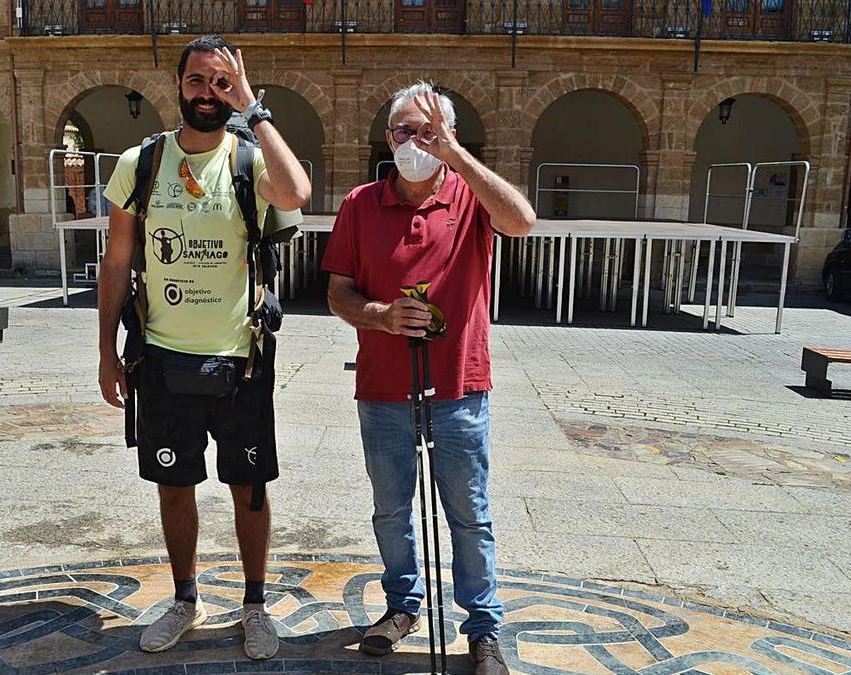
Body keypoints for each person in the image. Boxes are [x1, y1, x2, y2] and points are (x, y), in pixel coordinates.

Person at [96, 35, 310, 661]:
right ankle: (186, 598)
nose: (208, 93)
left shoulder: (248, 160)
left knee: (250, 486)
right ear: (178, 86)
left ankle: (253, 605)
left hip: (241, 358)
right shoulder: (143, 163)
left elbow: (296, 193)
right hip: (161, 357)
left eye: (221, 83)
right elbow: (116, 263)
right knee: (174, 484)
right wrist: (107, 352)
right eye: (198, 81)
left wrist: (253, 107)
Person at [322, 82, 536, 675]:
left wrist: (455, 155)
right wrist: (380, 317)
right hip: (384, 385)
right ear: (387, 138)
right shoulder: (361, 204)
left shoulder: (470, 197)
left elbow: (521, 221)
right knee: (391, 508)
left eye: (426, 130)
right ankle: (402, 605)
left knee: (468, 511)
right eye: (403, 131)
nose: (413, 142)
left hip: (458, 385)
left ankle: (484, 628)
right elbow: (338, 291)